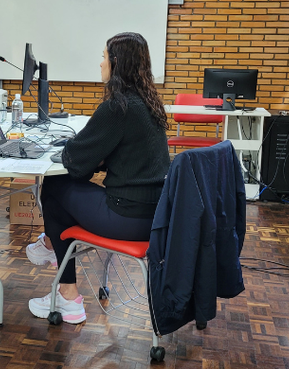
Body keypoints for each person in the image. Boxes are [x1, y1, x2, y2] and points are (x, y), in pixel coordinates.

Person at [26, 32, 171, 324]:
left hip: (126, 218)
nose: (100, 63)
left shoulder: (117, 107)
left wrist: (89, 155)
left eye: (104, 57)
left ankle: (66, 290)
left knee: (54, 186)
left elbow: (75, 164)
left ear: (116, 63)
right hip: (157, 218)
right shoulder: (148, 103)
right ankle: (51, 248)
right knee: (67, 194)